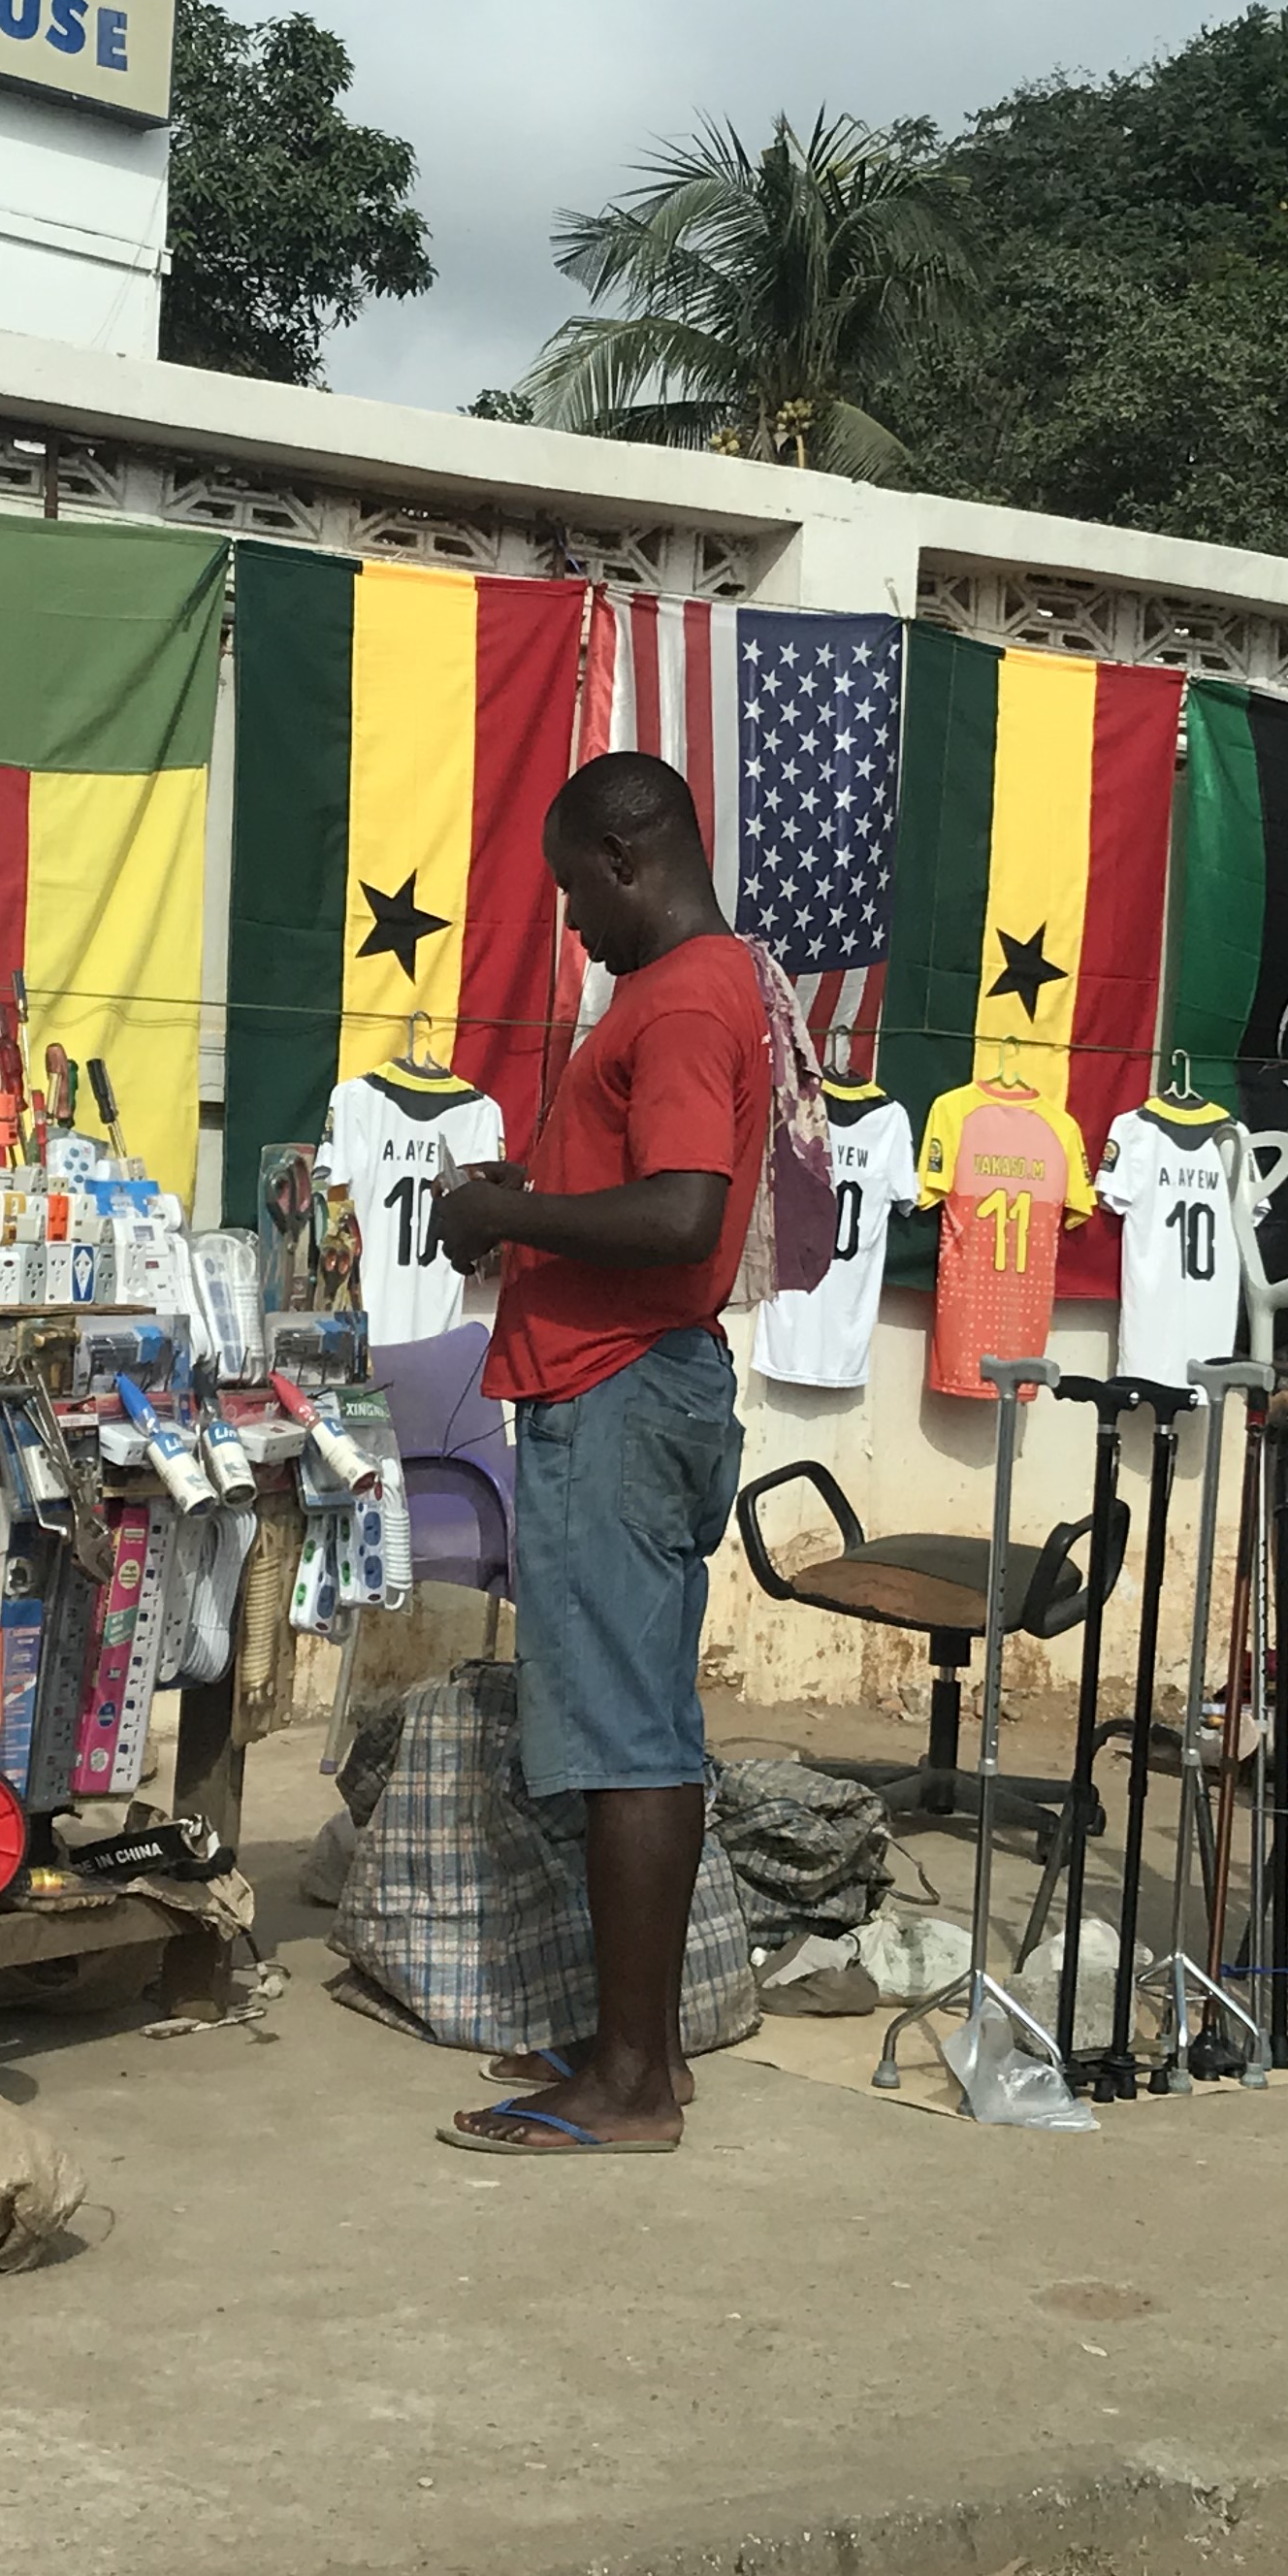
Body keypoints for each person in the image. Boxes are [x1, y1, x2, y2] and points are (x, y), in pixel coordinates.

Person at [426, 751, 767, 2156]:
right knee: (634, 1729)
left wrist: (513, 1218)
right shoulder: (687, 988)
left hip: (621, 1393)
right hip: (626, 1388)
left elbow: (686, 1214)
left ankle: (630, 2083)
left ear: (629, 859)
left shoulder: (683, 998)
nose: (573, 925)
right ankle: (640, 2052)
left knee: (629, 1741)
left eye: (577, 892)